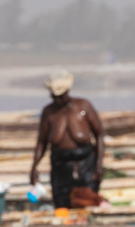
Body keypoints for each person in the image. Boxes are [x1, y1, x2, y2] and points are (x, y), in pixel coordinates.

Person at [28, 72, 105, 210]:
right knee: (62, 205)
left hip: (86, 163)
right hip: (60, 165)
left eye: (61, 96)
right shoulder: (49, 112)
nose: (57, 100)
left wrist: (99, 165)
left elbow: (99, 135)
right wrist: (34, 167)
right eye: (55, 96)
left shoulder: (83, 106)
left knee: (86, 202)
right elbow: (42, 142)